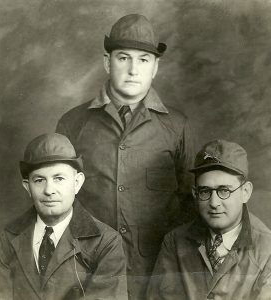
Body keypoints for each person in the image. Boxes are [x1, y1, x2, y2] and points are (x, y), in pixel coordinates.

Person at [56, 14, 195, 299]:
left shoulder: (177, 127)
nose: (133, 69)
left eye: (143, 60)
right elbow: (56, 206)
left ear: (155, 67)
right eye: (123, 58)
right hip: (91, 277)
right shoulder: (72, 124)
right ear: (107, 62)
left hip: (158, 276)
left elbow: (192, 207)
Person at [0, 133, 128, 300]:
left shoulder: (106, 243)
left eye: (59, 178)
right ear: (27, 187)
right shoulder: (7, 239)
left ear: (77, 183)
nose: (49, 190)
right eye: (39, 180)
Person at [147, 139, 271, 300]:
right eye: (205, 191)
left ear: (245, 192)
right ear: (194, 194)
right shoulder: (174, 242)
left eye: (224, 190)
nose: (214, 203)